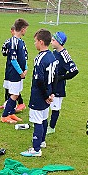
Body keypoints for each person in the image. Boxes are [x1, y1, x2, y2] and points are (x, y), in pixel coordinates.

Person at [20, 29, 57, 157]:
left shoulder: (39, 59)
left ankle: (36, 149)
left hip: (39, 95)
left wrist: (46, 95)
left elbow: (40, 79)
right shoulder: (52, 56)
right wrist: (51, 94)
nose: (34, 44)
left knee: (37, 121)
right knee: (44, 118)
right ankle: (42, 142)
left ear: (41, 42)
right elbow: (55, 77)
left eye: (35, 41)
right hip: (48, 94)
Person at [47, 31, 79, 134]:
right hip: (50, 83)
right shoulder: (54, 52)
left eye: (53, 40)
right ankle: (42, 121)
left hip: (58, 86)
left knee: (55, 107)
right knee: (46, 102)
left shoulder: (64, 55)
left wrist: (60, 78)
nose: (51, 42)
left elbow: (74, 71)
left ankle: (51, 127)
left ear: (59, 42)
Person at [0, 18, 29, 124]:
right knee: (14, 95)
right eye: (25, 29)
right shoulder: (13, 42)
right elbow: (13, 59)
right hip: (14, 73)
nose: (26, 31)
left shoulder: (21, 41)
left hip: (20, 73)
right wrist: (20, 72)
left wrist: (25, 68)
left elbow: (24, 57)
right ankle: (4, 116)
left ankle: (11, 112)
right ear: (22, 29)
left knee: (15, 93)